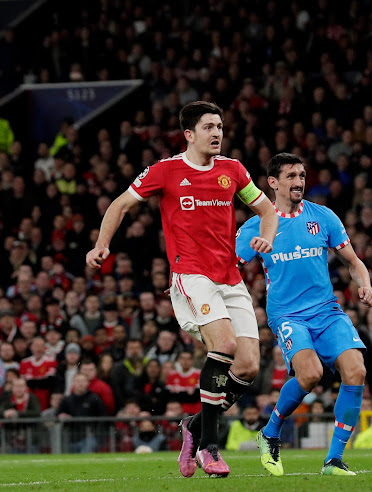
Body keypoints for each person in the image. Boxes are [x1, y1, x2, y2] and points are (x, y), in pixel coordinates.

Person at [86, 101, 278, 477]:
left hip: (230, 276)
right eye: (209, 127)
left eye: (220, 126)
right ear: (189, 134)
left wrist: (267, 238)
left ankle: (193, 427)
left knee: (250, 366)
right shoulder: (167, 171)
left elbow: (267, 211)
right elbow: (121, 204)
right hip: (191, 275)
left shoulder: (233, 170)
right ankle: (210, 447)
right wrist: (101, 244)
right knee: (223, 345)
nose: (217, 132)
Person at [236, 153, 372, 476]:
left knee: (356, 370)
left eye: (301, 175)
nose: (299, 181)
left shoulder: (323, 217)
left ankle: (334, 460)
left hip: (326, 311)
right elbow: (228, 267)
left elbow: (354, 262)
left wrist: (365, 284)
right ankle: (270, 432)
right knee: (310, 373)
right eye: (291, 176)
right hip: (287, 315)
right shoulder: (256, 225)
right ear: (272, 183)